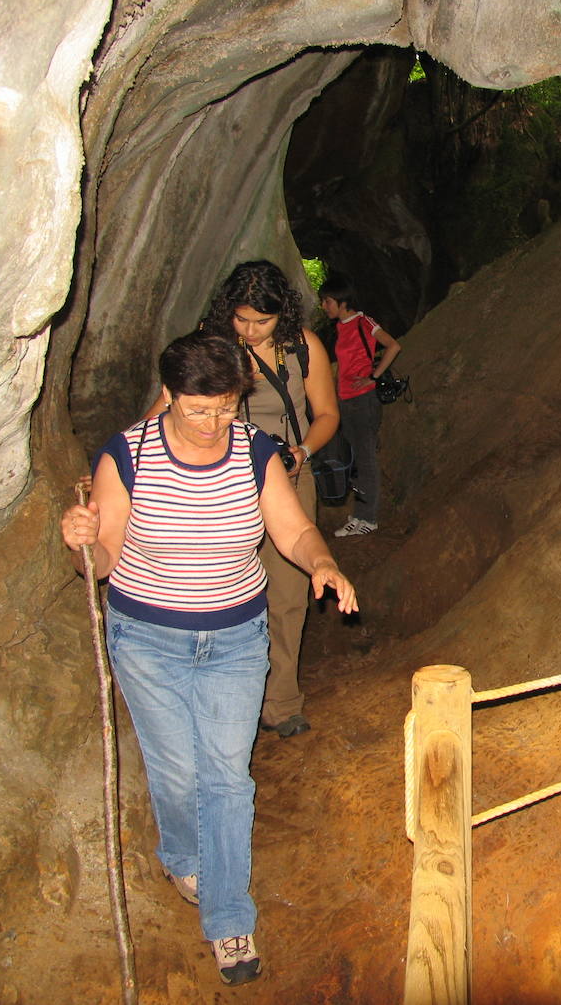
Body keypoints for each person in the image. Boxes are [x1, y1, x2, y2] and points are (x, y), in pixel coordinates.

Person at [62, 332, 358, 986]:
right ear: (169, 395)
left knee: (226, 776)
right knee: (176, 773)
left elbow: (292, 529)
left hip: (234, 638)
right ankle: (180, 853)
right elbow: (106, 556)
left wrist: (323, 562)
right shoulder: (128, 455)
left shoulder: (254, 453)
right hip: (147, 641)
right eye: (199, 409)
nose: (213, 423)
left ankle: (228, 916)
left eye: (226, 408)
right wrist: (83, 542)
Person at [197, 259, 339, 740]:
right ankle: (226, 699)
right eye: (242, 319)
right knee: (222, 591)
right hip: (224, 483)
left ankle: (279, 703)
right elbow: (174, 404)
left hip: (287, 477)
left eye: (263, 321)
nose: (251, 329)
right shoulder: (213, 346)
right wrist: (125, 454)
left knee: (286, 595)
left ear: (283, 314)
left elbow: (326, 414)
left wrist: (301, 451)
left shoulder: (303, 347)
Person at [318, 272, 401, 537]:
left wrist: (372, 378)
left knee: (365, 459)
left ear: (342, 302)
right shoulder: (341, 327)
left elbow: (393, 346)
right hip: (346, 400)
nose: (324, 306)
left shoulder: (362, 321)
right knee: (355, 459)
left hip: (363, 401)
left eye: (327, 301)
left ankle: (369, 518)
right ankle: (359, 515)